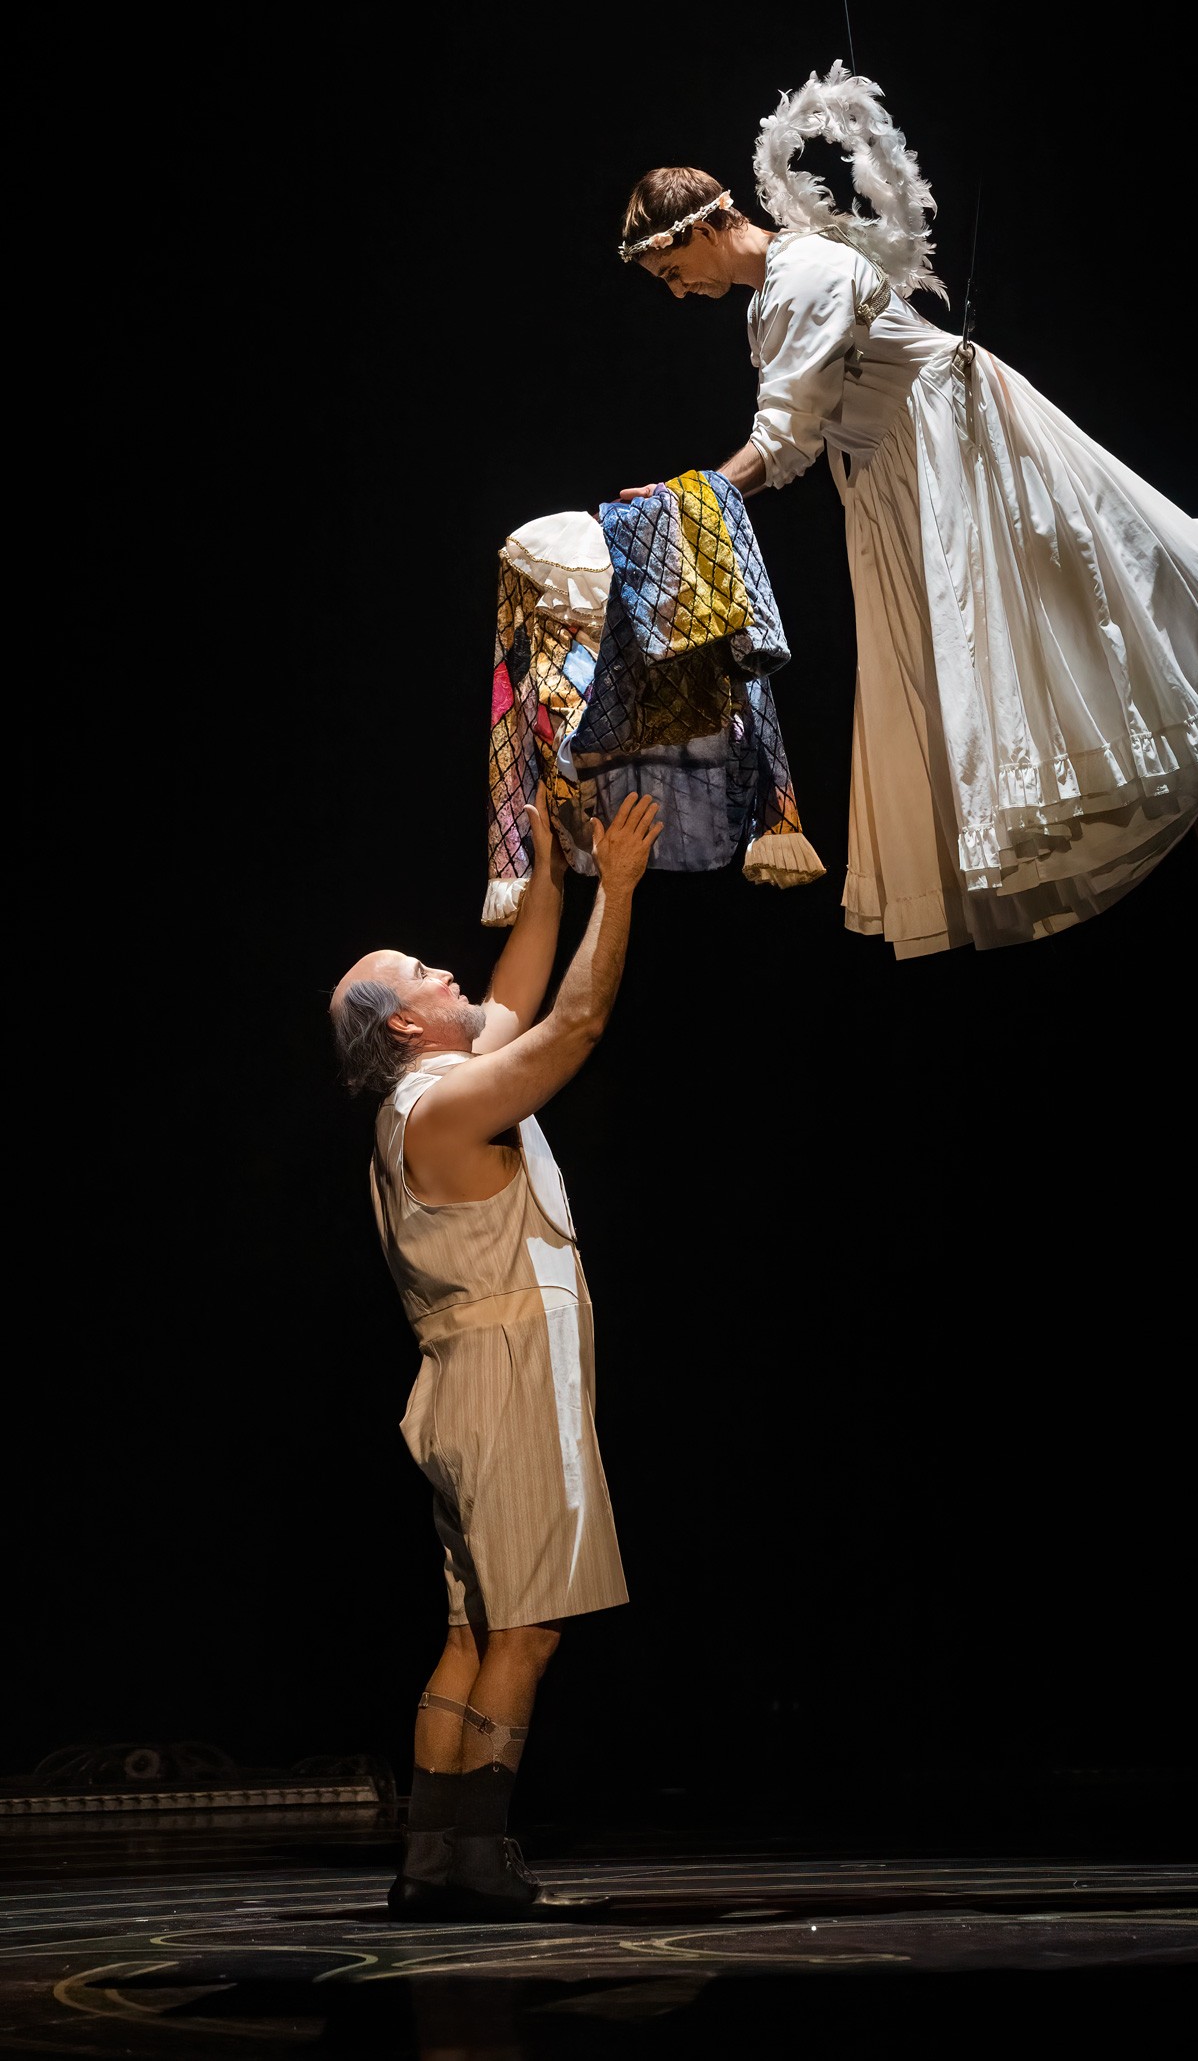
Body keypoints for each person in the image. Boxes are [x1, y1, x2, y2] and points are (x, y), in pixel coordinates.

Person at [615, 68, 1198, 959]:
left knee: (1114, 566)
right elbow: (799, 436)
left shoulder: (803, 272)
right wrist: (706, 492)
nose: (676, 290)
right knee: (1031, 642)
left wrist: (693, 495)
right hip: (894, 473)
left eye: (672, 270)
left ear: (703, 228)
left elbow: (785, 432)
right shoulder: (767, 299)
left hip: (954, 438)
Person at [329, 790, 664, 1921]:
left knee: (473, 1629)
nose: (448, 973)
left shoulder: (430, 1093)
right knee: (525, 1627)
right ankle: (474, 1856)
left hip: (476, 1374)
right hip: (506, 1369)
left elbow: (516, 999)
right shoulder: (438, 1109)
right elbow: (571, 1025)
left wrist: (555, 873)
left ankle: (433, 1856)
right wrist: (621, 890)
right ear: (402, 1027)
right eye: (425, 974)